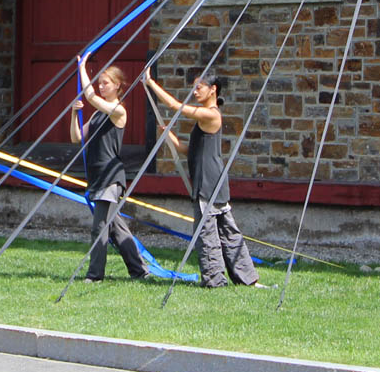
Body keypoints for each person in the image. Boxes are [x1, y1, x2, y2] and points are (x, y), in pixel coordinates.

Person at [144, 69, 270, 289]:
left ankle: (215, 281)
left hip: (208, 183)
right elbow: (188, 150)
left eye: (199, 87)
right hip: (215, 182)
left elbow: (175, 106)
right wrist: (169, 135)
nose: (195, 91)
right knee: (229, 232)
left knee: (207, 234)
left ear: (213, 90)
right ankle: (248, 279)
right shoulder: (205, 117)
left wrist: (151, 83)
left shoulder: (211, 114)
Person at [70, 54, 148, 282]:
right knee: (116, 227)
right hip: (97, 176)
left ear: (117, 86)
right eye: (100, 83)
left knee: (100, 227)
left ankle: (95, 275)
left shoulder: (118, 111)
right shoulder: (96, 114)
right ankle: (139, 270)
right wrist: (74, 113)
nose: (101, 86)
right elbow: (76, 138)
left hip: (111, 176)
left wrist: (82, 67)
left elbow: (91, 96)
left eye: (106, 83)